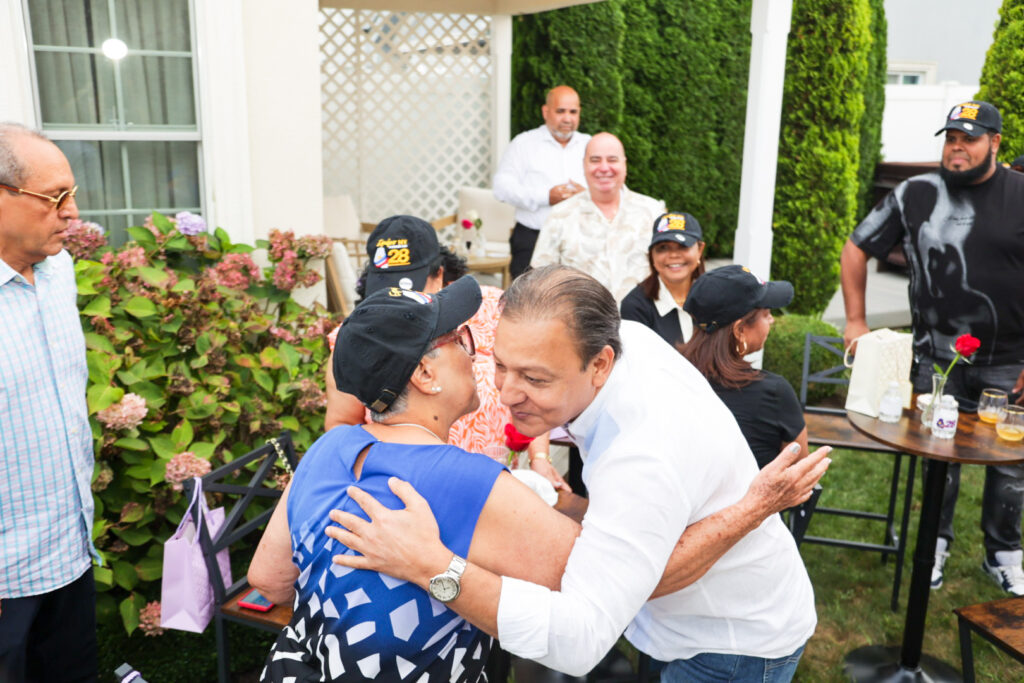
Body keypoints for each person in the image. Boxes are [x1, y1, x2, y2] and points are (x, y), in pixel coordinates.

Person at [327, 266, 831, 682]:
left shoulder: (643, 455)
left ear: (600, 364)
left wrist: (432, 567)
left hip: (730, 643)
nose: (505, 393)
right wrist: (561, 502)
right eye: (502, 366)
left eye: (535, 378)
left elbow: (580, 639)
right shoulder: (629, 336)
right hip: (678, 624)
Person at [249, 276, 580, 681]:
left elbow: (268, 579)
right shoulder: (467, 480)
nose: (473, 354)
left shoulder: (328, 447)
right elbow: (593, 580)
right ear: (424, 373)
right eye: (459, 341)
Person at [840, 100, 1024, 595]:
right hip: (937, 357)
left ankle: (1004, 552)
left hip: (1010, 361)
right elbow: (857, 246)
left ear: (995, 143)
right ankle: (934, 544)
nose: (957, 148)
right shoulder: (916, 193)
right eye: (951, 138)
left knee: (1011, 461)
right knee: (936, 451)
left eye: (969, 138)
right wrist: (855, 320)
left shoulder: (1020, 195)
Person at [324, 215, 568, 489]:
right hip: (411, 483)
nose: (399, 299)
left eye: (410, 285)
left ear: (439, 274)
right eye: (386, 288)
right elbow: (342, 424)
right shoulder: (360, 336)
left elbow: (530, 382)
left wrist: (540, 457)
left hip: (496, 475)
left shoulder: (490, 308)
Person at [0, 123, 97, 681]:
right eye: (55, 197)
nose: (73, 212)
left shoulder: (60, 271)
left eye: (73, 194)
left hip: (70, 552)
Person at [680, 265, 808, 468]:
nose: (772, 320)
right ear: (739, 330)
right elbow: (798, 478)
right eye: (766, 314)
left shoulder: (671, 378)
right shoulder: (774, 393)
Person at [530, 133, 666, 302]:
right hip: (583, 324)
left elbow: (670, 272)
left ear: (624, 164)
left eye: (612, 160)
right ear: (584, 165)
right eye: (595, 160)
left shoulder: (653, 212)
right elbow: (539, 280)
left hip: (643, 322)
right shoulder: (560, 215)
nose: (603, 168)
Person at [493, 85, 590, 279]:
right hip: (532, 238)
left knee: (580, 301)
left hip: (582, 239)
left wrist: (586, 195)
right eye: (561, 111)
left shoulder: (590, 144)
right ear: (546, 112)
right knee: (528, 302)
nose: (567, 118)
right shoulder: (524, 143)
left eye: (573, 112)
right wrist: (546, 196)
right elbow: (501, 188)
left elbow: (608, 186)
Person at [620, 212, 706, 347]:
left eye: (683, 246)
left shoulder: (715, 297)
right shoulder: (635, 307)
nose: (673, 255)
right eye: (663, 248)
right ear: (652, 255)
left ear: (700, 250)